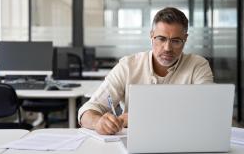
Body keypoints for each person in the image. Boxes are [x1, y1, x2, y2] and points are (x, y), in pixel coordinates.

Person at [78, 7, 213, 135]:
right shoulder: (128, 66)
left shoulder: (198, 66)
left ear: (185, 39)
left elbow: (207, 112)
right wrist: (98, 123)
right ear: (151, 35)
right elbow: (87, 111)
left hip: (182, 140)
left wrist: (139, 118)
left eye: (176, 41)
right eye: (161, 38)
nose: (167, 48)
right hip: (135, 142)